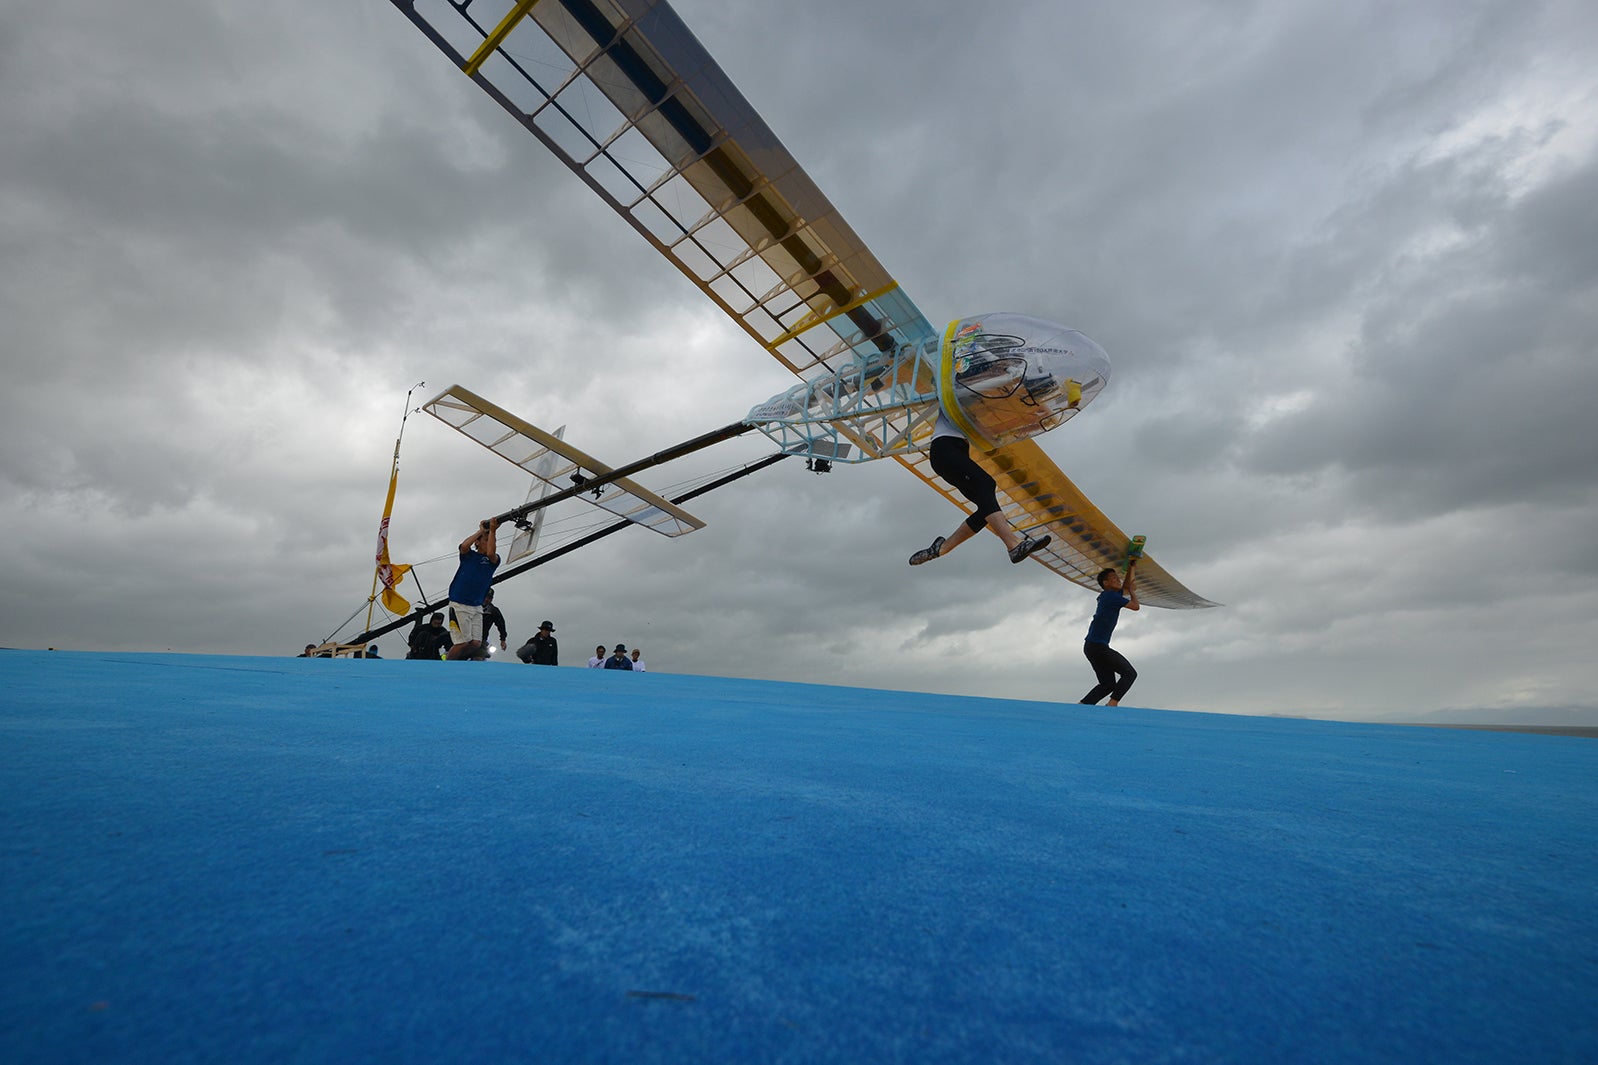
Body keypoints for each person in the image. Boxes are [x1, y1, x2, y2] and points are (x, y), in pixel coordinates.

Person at [907, 410, 1051, 567]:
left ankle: (941, 549)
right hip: (945, 448)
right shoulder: (958, 393)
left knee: (987, 507)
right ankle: (1013, 545)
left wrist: (1036, 423)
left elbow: (992, 433)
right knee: (986, 483)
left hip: (951, 452)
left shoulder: (977, 408)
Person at [1080, 565, 1140, 706]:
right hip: (1098, 647)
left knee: (1107, 685)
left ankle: (1082, 706)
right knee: (1129, 673)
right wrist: (1132, 592)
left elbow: (1125, 586)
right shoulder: (1110, 596)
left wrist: (1132, 565)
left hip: (1091, 647)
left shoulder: (1109, 595)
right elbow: (1135, 606)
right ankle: (1112, 703)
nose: (1118, 580)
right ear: (1106, 583)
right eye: (1114, 578)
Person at [445, 519, 501, 661]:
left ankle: (456, 660)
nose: (489, 543)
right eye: (486, 540)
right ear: (478, 542)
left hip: (476, 605)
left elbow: (490, 553)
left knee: (475, 643)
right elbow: (464, 546)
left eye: (491, 540)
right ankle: (445, 663)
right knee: (462, 641)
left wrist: (493, 531)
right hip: (460, 601)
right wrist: (482, 531)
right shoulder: (469, 556)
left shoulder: (493, 560)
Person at [469, 589, 509, 660]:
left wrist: (503, 640)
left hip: (481, 639)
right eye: (485, 597)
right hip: (466, 637)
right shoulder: (471, 606)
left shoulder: (493, 611)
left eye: (489, 598)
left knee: (478, 658)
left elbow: (501, 624)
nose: (486, 599)